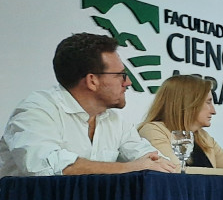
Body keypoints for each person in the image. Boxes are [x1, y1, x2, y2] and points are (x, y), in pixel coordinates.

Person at [0, 33, 176, 177]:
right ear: (92, 81)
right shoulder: (36, 110)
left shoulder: (115, 121)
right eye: (120, 75)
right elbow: (44, 167)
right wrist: (129, 168)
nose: (128, 82)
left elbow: (151, 159)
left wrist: (155, 163)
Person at [139, 75, 223, 176]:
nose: (214, 111)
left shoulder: (204, 137)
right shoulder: (152, 130)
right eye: (208, 102)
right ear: (188, 103)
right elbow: (174, 170)